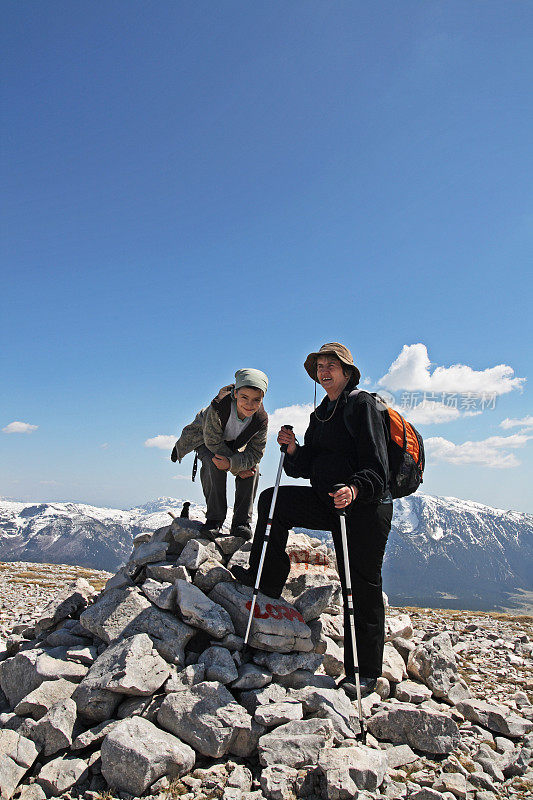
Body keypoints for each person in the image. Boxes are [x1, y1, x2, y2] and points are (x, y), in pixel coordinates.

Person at [231, 343, 393, 697]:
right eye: (319, 366)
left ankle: (363, 671)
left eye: (331, 365)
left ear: (347, 372)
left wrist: (354, 488)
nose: (323, 371)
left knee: (361, 583)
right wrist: (292, 449)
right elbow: (306, 467)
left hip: (363, 509)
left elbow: (377, 468)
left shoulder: (362, 405)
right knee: (273, 501)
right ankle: (267, 580)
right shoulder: (321, 414)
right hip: (328, 501)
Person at [171, 368, 269, 540]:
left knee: (252, 469)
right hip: (206, 440)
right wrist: (235, 467)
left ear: (262, 400)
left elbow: (255, 452)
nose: (249, 404)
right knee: (212, 462)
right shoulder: (218, 408)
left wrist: (234, 464)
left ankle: (241, 523)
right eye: (244, 397)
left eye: (256, 400)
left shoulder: (260, 421)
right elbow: (212, 442)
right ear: (235, 393)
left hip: (233, 444)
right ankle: (214, 520)